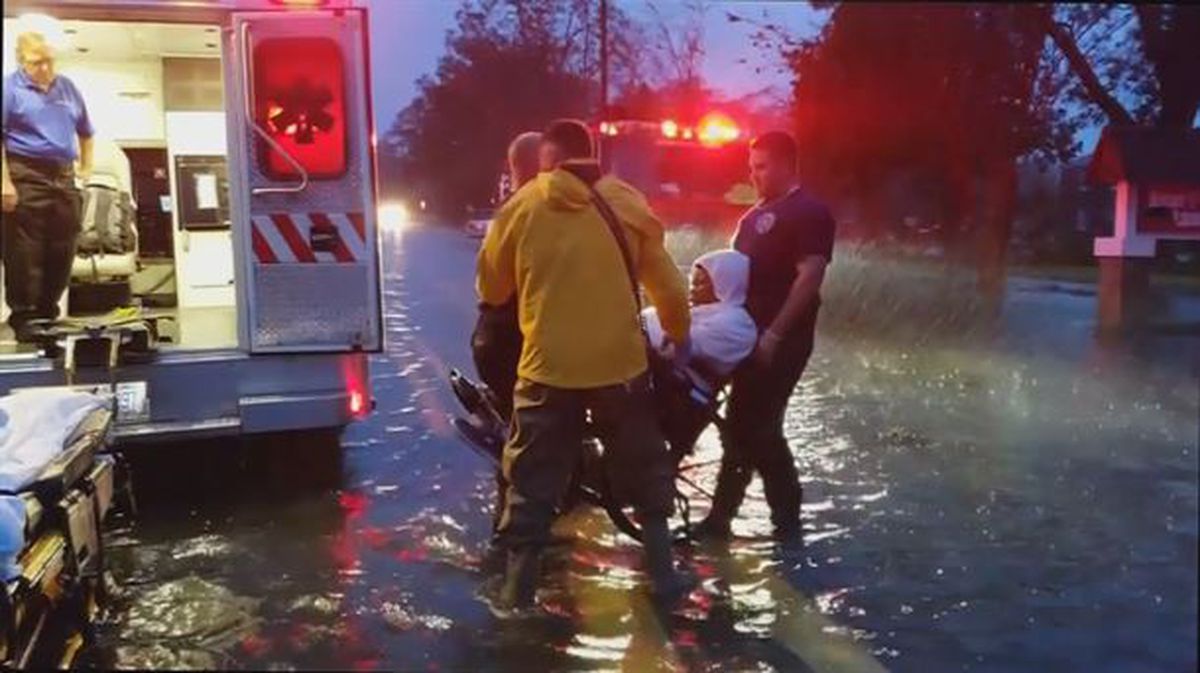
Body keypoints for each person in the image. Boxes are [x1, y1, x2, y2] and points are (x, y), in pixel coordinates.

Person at [477, 119, 692, 614]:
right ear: (591, 154)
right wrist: (678, 339)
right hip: (620, 368)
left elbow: (491, 290)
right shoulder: (627, 203)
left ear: (546, 159)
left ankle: (516, 599)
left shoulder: (522, 206)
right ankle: (664, 583)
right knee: (643, 467)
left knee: (530, 481)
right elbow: (671, 291)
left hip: (546, 369)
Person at [695, 131, 836, 542]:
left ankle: (786, 520)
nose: (754, 175)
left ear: (787, 164)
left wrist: (774, 335)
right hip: (744, 336)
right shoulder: (752, 216)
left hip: (783, 339)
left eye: (762, 166)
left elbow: (810, 276)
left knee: (761, 425)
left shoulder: (809, 212)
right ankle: (721, 519)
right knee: (739, 422)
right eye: (751, 166)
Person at [2, 31, 95, 342]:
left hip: (64, 176)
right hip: (24, 174)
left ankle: (48, 313)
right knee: (24, 252)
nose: (44, 68)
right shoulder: (9, 88)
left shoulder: (67, 87)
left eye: (49, 61)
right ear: (21, 61)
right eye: (36, 62)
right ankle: (25, 317)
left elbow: (85, 130)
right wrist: (4, 183)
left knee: (63, 247)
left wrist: (86, 167)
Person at [643, 248, 757, 382]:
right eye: (692, 281)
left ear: (723, 285)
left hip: (679, 389)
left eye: (700, 283)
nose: (692, 289)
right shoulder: (699, 310)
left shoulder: (737, 325)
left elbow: (676, 345)